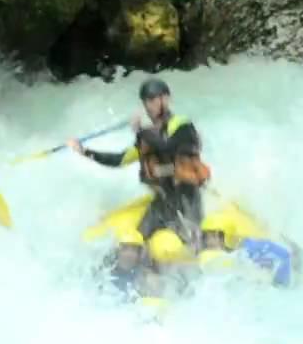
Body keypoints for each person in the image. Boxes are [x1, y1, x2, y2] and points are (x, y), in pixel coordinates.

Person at [68, 77, 212, 247]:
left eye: (152, 100)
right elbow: (120, 159)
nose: (148, 106)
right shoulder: (148, 136)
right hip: (164, 201)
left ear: (166, 99)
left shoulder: (182, 125)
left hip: (188, 197)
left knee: (194, 242)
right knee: (135, 244)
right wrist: (85, 152)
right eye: (146, 101)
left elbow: (167, 148)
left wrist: (140, 130)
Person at [198, 213, 302, 288]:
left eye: (206, 237)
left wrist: (279, 287)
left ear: (217, 235)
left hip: (293, 280)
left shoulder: (249, 250)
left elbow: (284, 259)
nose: (205, 242)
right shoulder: (241, 251)